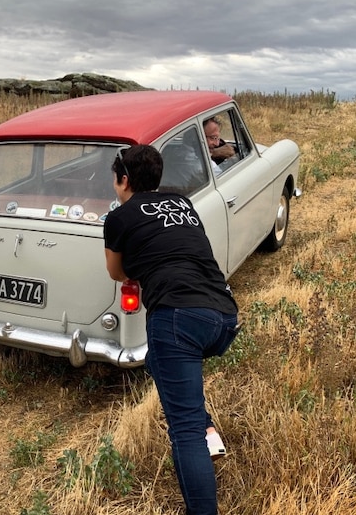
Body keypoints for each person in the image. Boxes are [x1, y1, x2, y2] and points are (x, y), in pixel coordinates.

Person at [103, 145, 239, 515]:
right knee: (164, 365)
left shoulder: (119, 217)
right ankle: (207, 426)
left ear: (124, 179)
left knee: (184, 430)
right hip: (224, 316)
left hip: (179, 319)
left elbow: (117, 272)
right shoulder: (181, 202)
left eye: (115, 178)